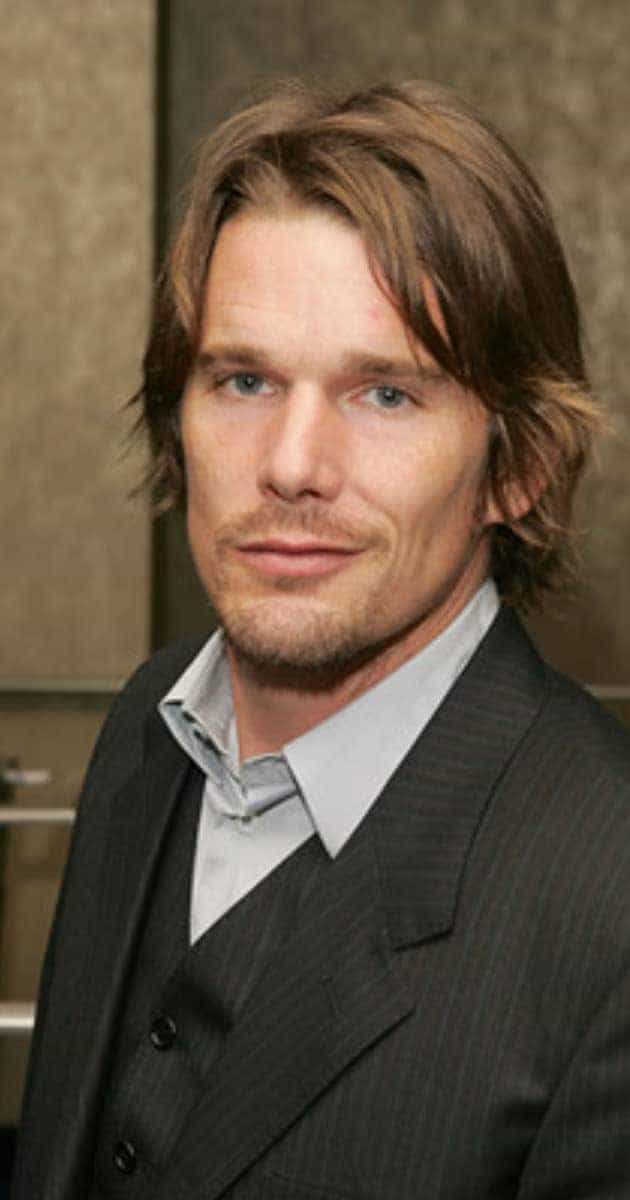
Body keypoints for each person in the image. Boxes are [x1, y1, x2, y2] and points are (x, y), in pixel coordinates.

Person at [13, 80, 630, 1200]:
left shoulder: (608, 891)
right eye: (243, 380)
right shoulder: (149, 725)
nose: (292, 464)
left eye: (384, 394)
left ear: (519, 467)